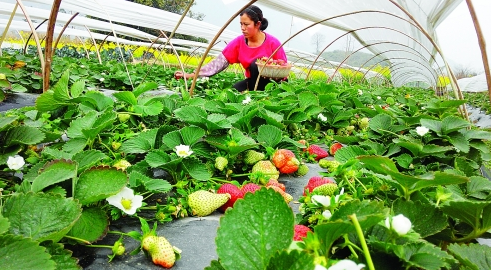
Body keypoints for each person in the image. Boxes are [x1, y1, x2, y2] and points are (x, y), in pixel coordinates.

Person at [174, 5, 288, 91]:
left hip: (272, 84)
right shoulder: (238, 42)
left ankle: (257, 98)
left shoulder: (273, 43)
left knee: (255, 64)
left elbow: (284, 68)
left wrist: (278, 80)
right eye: (241, 24)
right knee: (231, 94)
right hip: (252, 82)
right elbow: (218, 64)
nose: (243, 28)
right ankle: (252, 96)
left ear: (257, 24)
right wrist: (191, 75)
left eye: (246, 24)